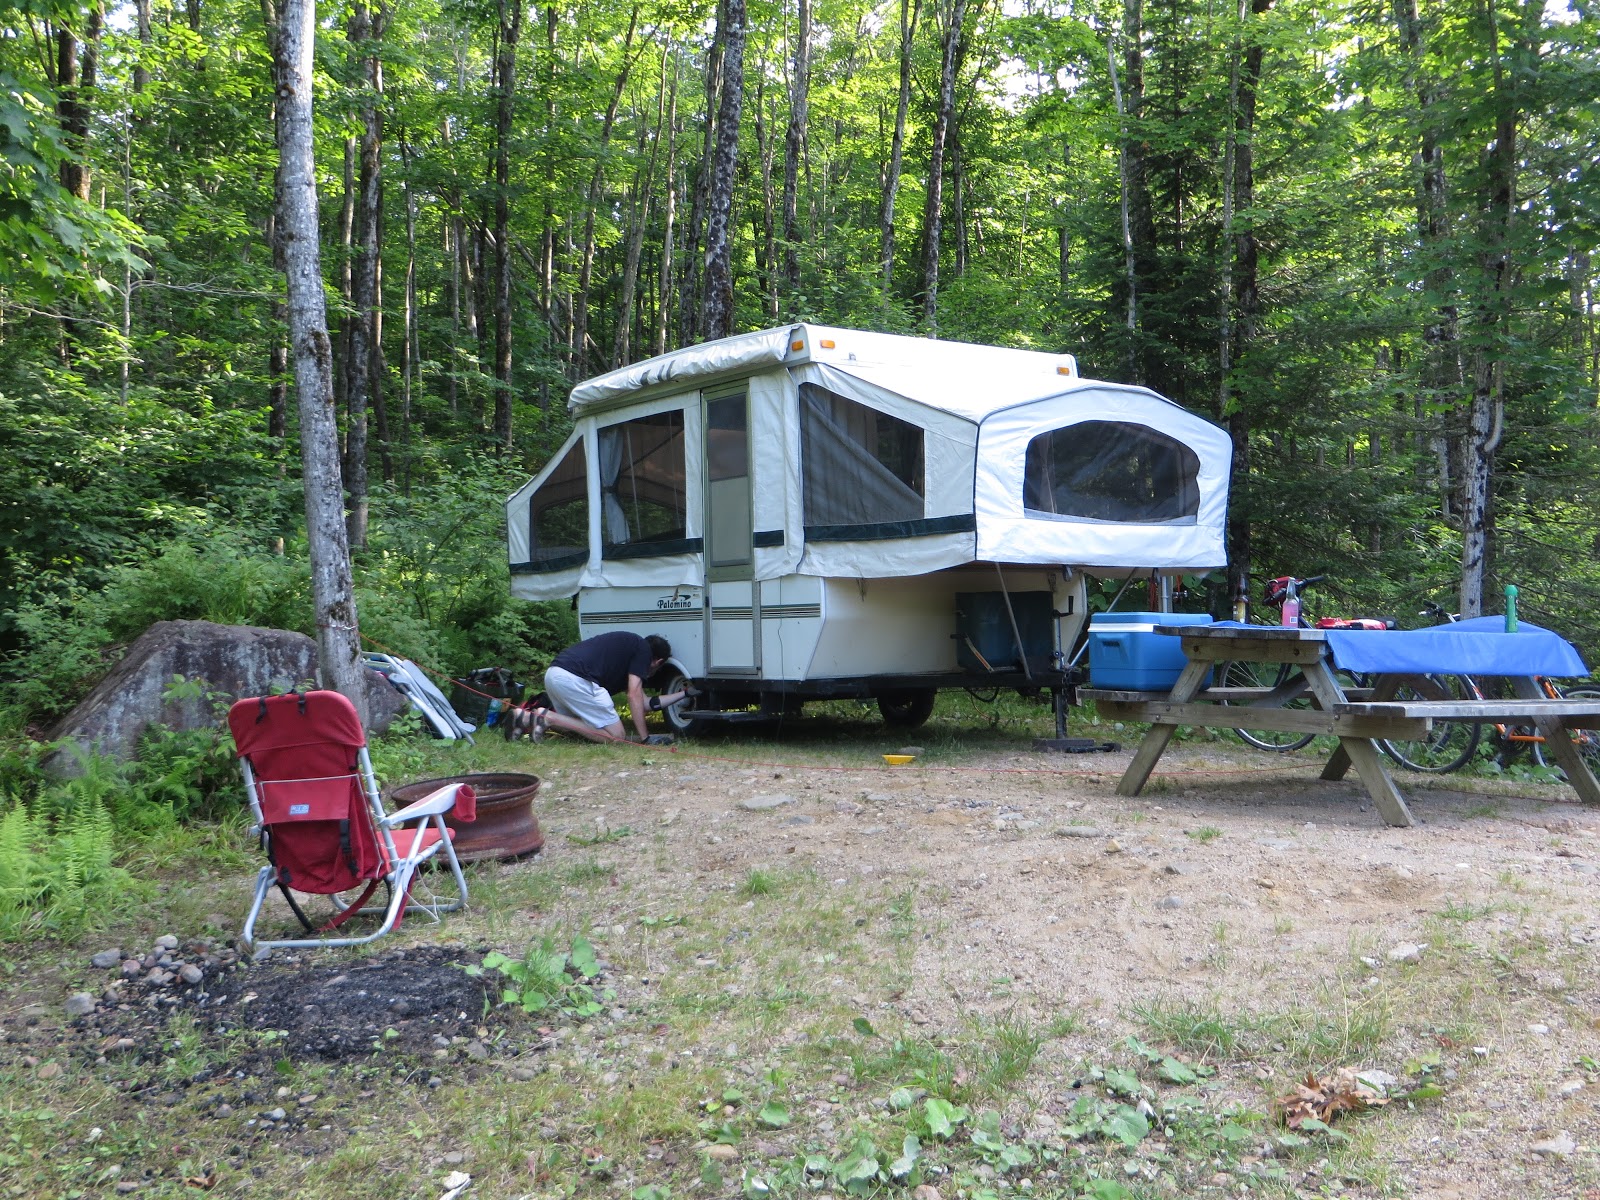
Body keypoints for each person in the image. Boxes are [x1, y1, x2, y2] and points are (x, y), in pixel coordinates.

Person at [523, 631, 692, 744]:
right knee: (617, 737)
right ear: (658, 662)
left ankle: (523, 716)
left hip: (554, 674)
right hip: (575, 679)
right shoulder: (643, 651)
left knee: (578, 728)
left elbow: (645, 703)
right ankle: (547, 717)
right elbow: (633, 695)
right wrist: (645, 738)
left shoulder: (628, 652)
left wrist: (683, 694)